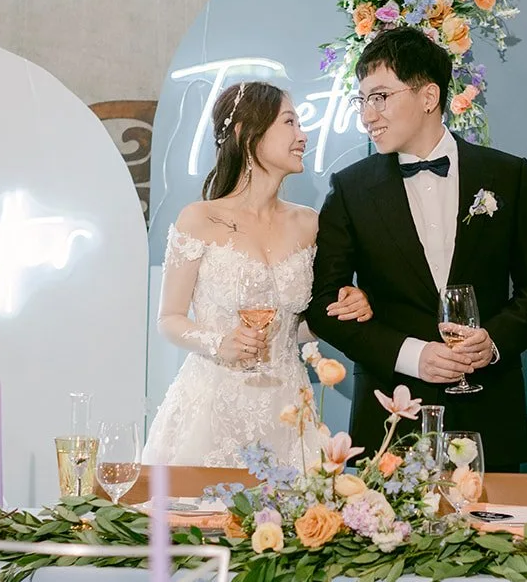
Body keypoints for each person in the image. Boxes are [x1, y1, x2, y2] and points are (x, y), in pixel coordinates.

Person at [307, 27, 527, 471]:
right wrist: (413, 355)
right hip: (391, 418)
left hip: (488, 414)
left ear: (429, 96)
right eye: (362, 100)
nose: (368, 115)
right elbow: (322, 305)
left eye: (380, 97)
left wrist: (495, 342)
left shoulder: (507, 175)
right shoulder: (351, 189)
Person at [143, 81, 370, 468]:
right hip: (213, 406)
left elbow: (300, 325)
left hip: (287, 408)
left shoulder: (310, 224)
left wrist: (349, 304)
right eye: (290, 123)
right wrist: (219, 342)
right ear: (246, 133)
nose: (303, 135)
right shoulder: (199, 219)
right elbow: (169, 319)